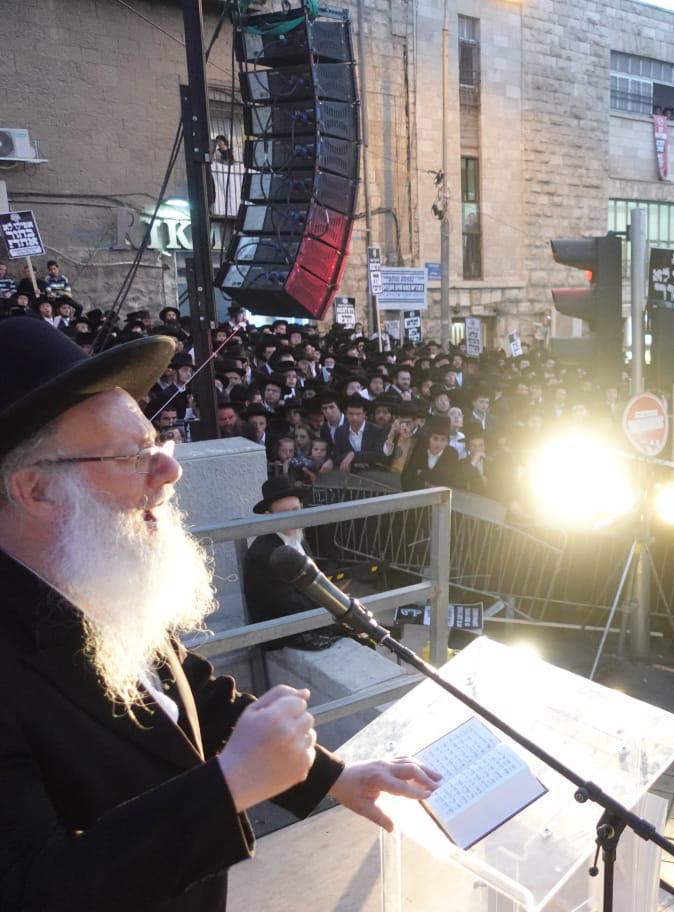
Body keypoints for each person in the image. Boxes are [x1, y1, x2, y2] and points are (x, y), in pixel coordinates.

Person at [0, 319, 439, 910]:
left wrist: (334, 776)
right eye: (133, 457)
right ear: (36, 490)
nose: (168, 470)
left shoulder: (87, 578)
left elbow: (193, 694)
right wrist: (230, 783)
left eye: (158, 445)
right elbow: (37, 889)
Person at [241, 476, 342, 651]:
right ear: (268, 516)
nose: (292, 517)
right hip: (284, 633)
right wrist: (331, 608)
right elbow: (287, 605)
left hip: (306, 615)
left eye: (295, 510)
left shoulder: (297, 535)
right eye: (284, 513)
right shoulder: (262, 554)